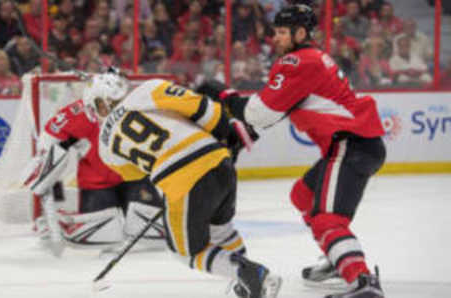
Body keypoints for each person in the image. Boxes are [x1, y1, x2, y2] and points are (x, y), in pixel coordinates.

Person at [197, 4, 387, 298]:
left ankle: (362, 281)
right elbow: (273, 112)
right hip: (353, 144)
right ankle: (338, 258)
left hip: (350, 145)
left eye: (283, 32)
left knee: (327, 219)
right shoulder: (309, 60)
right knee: (303, 195)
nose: (276, 38)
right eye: (275, 32)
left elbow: (259, 114)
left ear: (301, 33)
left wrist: (224, 96)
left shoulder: (298, 62)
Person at [86, 73, 281, 298]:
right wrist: (226, 135)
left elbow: (137, 172)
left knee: (186, 252)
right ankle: (245, 284)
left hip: (181, 180)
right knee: (221, 231)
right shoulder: (148, 89)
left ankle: (249, 274)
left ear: (100, 105)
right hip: (218, 161)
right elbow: (206, 110)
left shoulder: (104, 147)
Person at [23, 82, 166, 255]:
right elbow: (48, 144)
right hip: (97, 184)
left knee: (151, 232)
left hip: (133, 178)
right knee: (104, 236)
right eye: (108, 104)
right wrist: (45, 168)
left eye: (117, 102)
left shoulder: (134, 110)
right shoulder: (77, 115)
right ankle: (62, 222)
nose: (113, 109)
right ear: (93, 102)